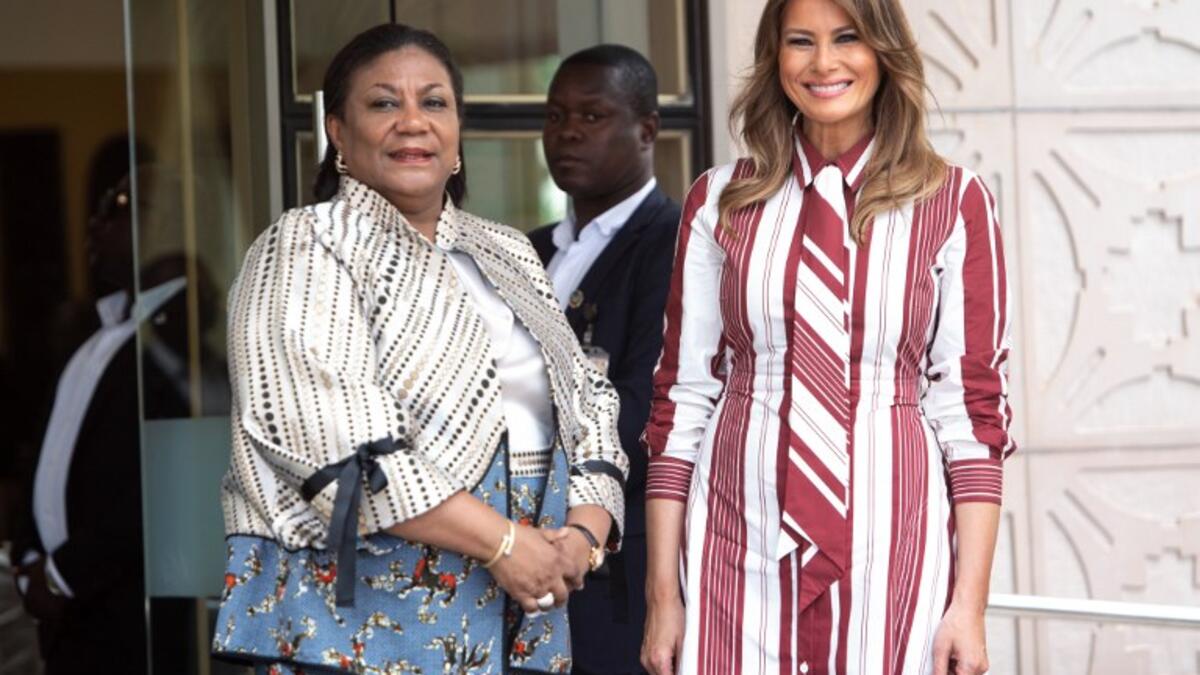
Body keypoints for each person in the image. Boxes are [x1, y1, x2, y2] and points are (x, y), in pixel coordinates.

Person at [211, 24, 627, 674]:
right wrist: (507, 544)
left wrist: (581, 538)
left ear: (458, 131)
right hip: (357, 631)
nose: (413, 122)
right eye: (383, 103)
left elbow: (591, 401)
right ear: (338, 132)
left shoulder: (508, 252)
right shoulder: (304, 246)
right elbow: (337, 446)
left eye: (434, 102)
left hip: (523, 621)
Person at [640, 1, 1015, 674]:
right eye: (800, 42)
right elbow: (680, 400)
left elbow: (974, 412)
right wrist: (663, 595)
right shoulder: (720, 200)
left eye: (848, 38)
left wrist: (970, 604)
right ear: (775, 59)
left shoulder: (952, 201)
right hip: (736, 539)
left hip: (892, 541)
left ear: (884, 51)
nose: (824, 62)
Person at [529, 44, 680, 675]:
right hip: (519, 557)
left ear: (646, 129)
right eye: (556, 114)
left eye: (591, 116)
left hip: (617, 568)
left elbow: (644, 407)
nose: (566, 132)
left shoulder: (673, 240)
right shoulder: (527, 249)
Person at [10, 172, 191, 675]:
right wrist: (28, 556)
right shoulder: (99, 333)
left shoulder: (187, 335)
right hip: (69, 617)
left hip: (134, 618)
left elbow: (156, 485)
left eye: (116, 206)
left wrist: (62, 574)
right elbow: (51, 454)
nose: (94, 223)